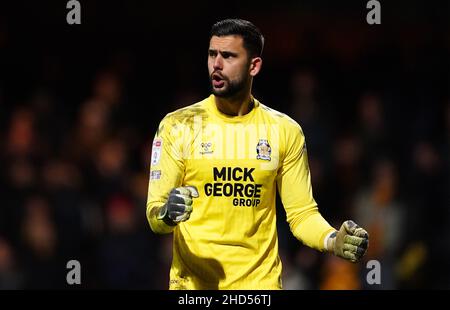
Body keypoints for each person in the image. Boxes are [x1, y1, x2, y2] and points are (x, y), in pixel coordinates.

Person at [146, 18, 369, 290]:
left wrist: (332, 239)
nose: (216, 64)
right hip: (194, 288)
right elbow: (155, 214)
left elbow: (301, 215)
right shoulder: (178, 125)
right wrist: (168, 213)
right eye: (212, 54)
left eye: (228, 56)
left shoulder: (284, 131)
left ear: (254, 66)